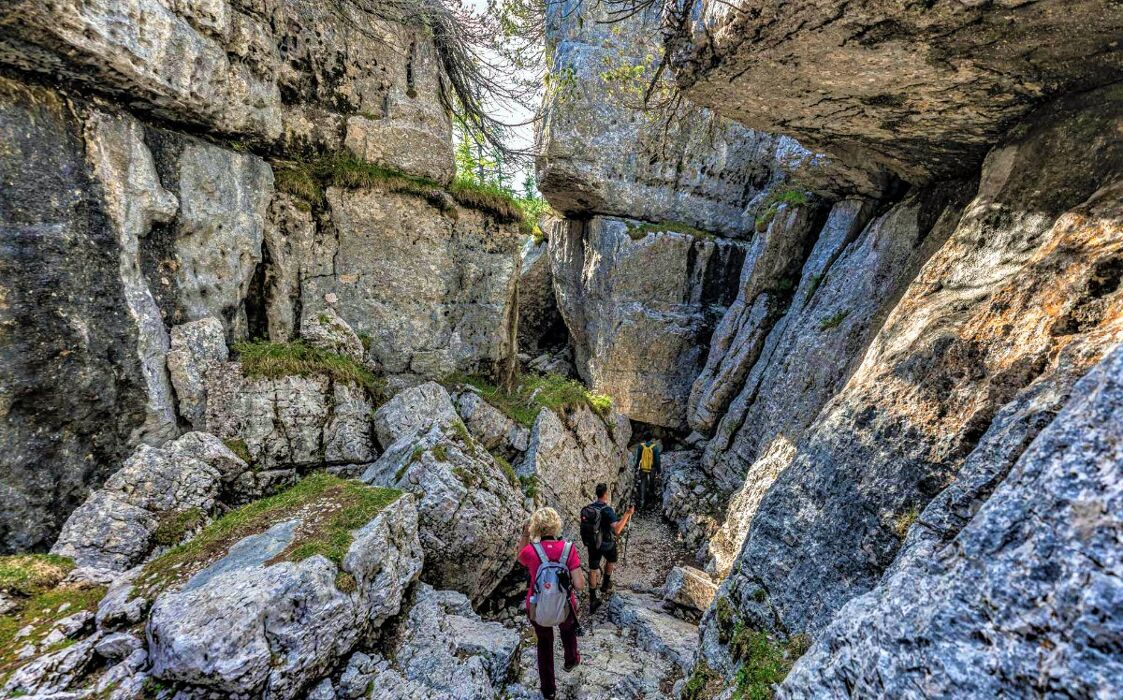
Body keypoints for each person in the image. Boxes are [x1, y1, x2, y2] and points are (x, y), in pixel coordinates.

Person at [517, 507, 585, 700]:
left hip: (537, 607)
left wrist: (525, 533)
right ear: (556, 526)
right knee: (568, 626)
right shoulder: (568, 549)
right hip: (563, 606)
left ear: (536, 527)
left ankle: (549, 690)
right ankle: (571, 659)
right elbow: (579, 585)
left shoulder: (531, 551)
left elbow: (520, 556)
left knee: (544, 643)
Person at [580, 483, 634, 613]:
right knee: (612, 559)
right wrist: (627, 514)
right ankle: (605, 585)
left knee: (593, 569)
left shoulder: (589, 508)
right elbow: (617, 529)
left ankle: (593, 599)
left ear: (597, 494)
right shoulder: (607, 510)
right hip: (606, 544)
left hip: (593, 544)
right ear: (606, 494)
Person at [633, 439, 662, 512]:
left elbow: (638, 458)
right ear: (652, 440)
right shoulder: (654, 447)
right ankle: (650, 501)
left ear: (645, 440)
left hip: (643, 468)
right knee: (651, 483)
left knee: (643, 483)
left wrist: (636, 466)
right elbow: (657, 460)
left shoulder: (641, 446)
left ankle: (642, 502)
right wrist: (659, 470)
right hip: (652, 469)